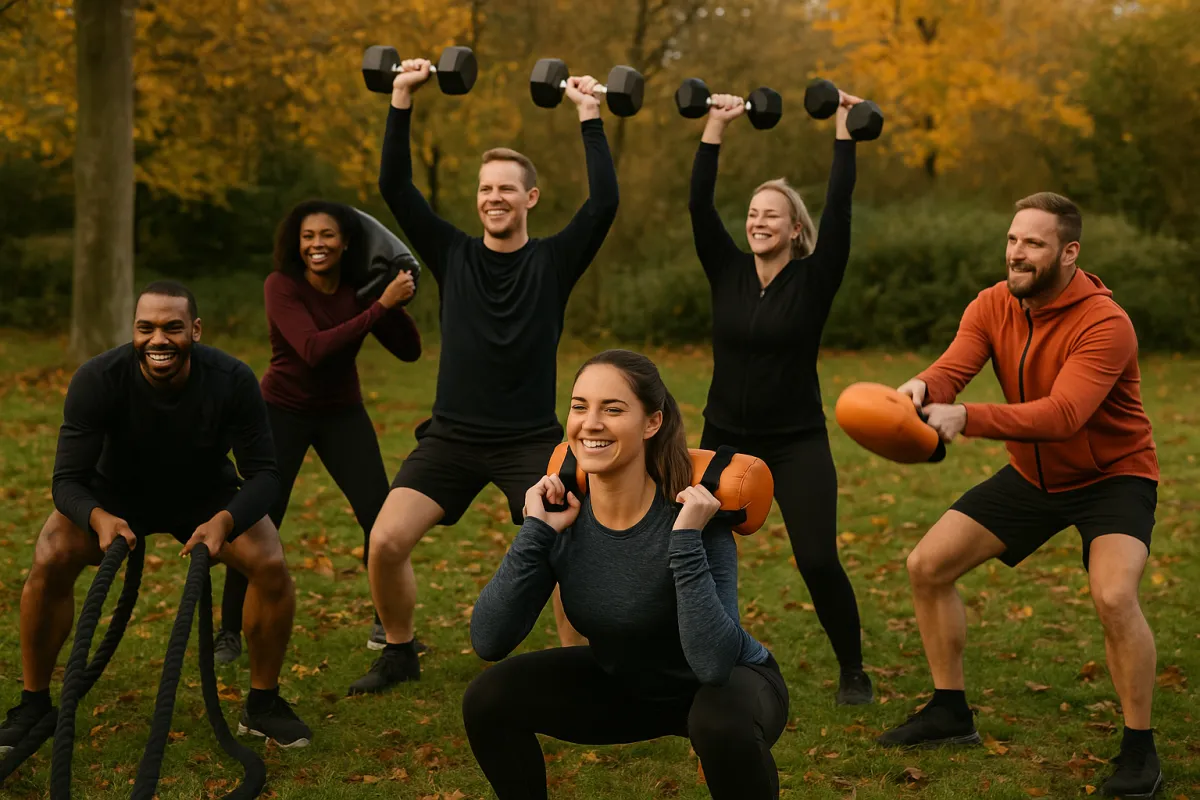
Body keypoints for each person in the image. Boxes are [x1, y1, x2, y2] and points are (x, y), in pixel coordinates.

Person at [345, 58, 619, 695]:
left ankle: (579, 674)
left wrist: (588, 114)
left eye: (506, 189)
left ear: (529, 199)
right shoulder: (453, 253)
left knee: (565, 547)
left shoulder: (554, 262)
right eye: (485, 188)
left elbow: (603, 203)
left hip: (529, 441)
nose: (493, 198)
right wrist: (402, 96)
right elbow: (395, 186)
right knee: (384, 541)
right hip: (450, 440)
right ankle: (399, 649)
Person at [876, 193, 1161, 799]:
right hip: (1034, 479)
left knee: (1114, 596)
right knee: (927, 566)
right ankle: (950, 712)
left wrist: (965, 418)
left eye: (1033, 243)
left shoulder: (1104, 323)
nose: (1017, 253)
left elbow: (1064, 415)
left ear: (1068, 251)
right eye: (1012, 240)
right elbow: (953, 368)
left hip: (1113, 478)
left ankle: (1140, 749)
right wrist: (920, 388)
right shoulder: (991, 305)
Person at [0, 281, 312, 754]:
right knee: (51, 554)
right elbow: (66, 481)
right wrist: (99, 518)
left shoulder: (232, 379)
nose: (158, 340)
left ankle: (263, 704)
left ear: (196, 330)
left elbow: (266, 475)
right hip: (113, 494)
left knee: (270, 563)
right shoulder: (98, 378)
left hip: (205, 496)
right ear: (134, 330)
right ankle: (33, 703)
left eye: (173, 328)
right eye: (146, 328)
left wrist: (225, 521)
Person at [462, 349, 790, 799]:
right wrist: (536, 532)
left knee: (717, 722)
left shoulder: (696, 518)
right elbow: (489, 639)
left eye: (612, 409)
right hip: (627, 683)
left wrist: (685, 541)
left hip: (729, 688)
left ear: (651, 423)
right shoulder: (564, 518)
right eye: (580, 406)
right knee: (489, 698)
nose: (590, 423)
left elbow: (712, 664)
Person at [686, 87, 873, 704]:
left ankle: (853, 669)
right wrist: (715, 127)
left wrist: (844, 132)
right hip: (724, 438)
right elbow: (698, 204)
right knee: (696, 549)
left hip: (796, 441)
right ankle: (702, 659)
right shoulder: (727, 270)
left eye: (772, 214)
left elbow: (840, 207)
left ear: (795, 229)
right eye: (753, 213)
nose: (757, 221)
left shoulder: (816, 279)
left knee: (818, 560)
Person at [212, 200, 422, 664]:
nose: (317, 245)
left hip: (341, 413)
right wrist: (380, 305)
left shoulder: (359, 290)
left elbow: (409, 352)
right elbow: (312, 349)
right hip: (281, 411)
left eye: (326, 235)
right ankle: (228, 629)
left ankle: (385, 623)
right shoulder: (281, 287)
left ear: (346, 242)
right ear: (297, 243)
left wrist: (393, 306)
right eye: (308, 237)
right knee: (257, 518)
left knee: (379, 515)